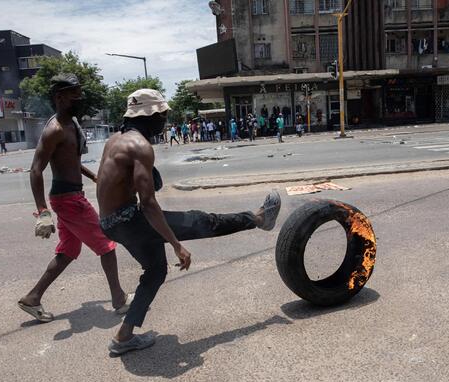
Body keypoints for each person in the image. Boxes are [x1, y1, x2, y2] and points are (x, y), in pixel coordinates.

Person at [96, 89, 282, 355]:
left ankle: (123, 337)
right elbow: (148, 203)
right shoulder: (140, 147)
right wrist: (176, 244)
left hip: (110, 223)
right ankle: (258, 219)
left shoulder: (115, 140)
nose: (166, 120)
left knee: (156, 271)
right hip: (130, 220)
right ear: (153, 116)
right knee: (201, 221)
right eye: (164, 115)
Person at [18, 73, 131, 323]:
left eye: (80, 93)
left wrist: (93, 177)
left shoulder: (71, 125)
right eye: (74, 94)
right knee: (107, 244)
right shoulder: (54, 129)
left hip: (71, 196)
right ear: (59, 97)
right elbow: (36, 169)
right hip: (68, 199)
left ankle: (32, 298)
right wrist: (43, 212)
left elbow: (70, 161)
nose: (79, 98)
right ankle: (119, 299)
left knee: (68, 251)